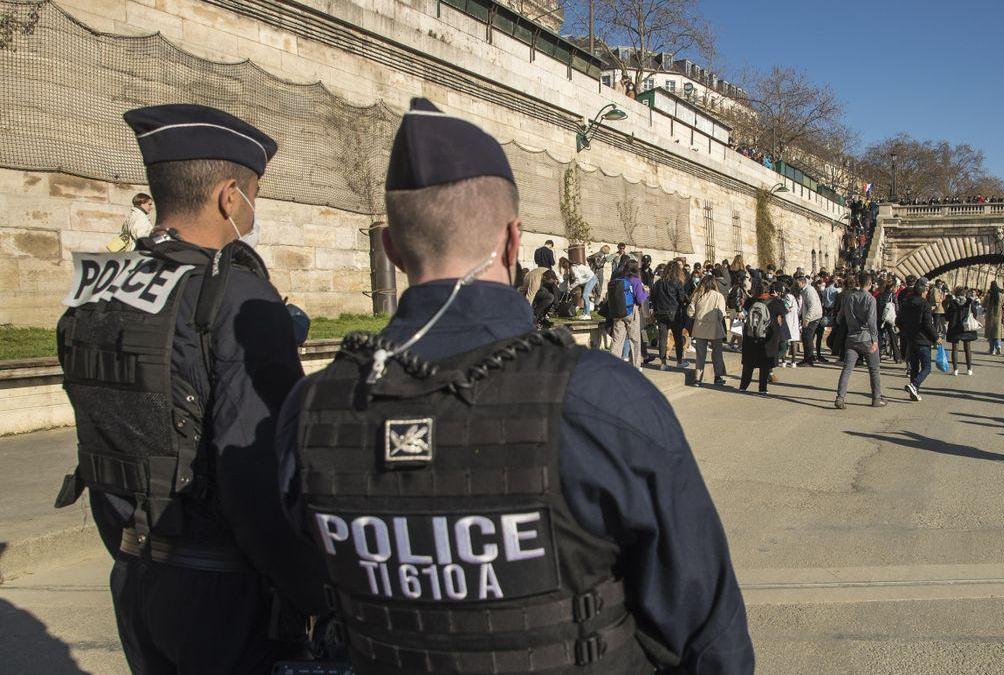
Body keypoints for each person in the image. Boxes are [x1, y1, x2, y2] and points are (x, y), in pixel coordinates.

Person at [274, 99, 753, 674]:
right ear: (512, 241)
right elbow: (704, 629)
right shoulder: (600, 399)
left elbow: (307, 583)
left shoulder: (311, 411)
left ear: (392, 251)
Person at [54, 104, 325, 674]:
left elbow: (102, 435)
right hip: (222, 593)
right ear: (231, 196)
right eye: (256, 192)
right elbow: (256, 477)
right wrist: (315, 594)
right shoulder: (238, 299)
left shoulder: (97, 289)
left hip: (133, 574)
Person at [834, 272, 885, 409]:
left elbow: (840, 317)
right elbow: (872, 321)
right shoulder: (870, 299)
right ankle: (876, 398)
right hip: (866, 337)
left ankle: (840, 397)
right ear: (869, 283)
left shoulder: (850, 297)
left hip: (851, 337)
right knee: (874, 369)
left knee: (847, 369)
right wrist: (875, 340)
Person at [739, 282, 786, 394]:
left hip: (750, 336)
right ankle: (762, 388)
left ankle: (743, 386)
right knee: (765, 364)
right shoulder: (775, 302)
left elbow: (744, 312)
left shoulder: (750, 301)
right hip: (767, 337)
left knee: (748, 364)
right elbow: (783, 312)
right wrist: (777, 297)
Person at [899, 279, 940, 401]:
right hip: (923, 339)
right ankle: (914, 385)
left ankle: (914, 392)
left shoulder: (906, 302)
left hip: (911, 338)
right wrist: (936, 337)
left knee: (914, 367)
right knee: (927, 367)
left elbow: (899, 320)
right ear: (923, 291)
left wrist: (906, 331)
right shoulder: (925, 304)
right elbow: (927, 324)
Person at [689, 275, 728, 386]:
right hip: (714, 328)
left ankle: (698, 378)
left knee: (700, 355)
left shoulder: (697, 295)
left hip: (699, 327)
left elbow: (690, 312)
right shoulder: (718, 296)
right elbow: (721, 314)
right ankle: (718, 376)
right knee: (717, 354)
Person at [650, 260, 689, 369]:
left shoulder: (658, 283)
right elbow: (681, 298)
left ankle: (663, 363)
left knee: (662, 338)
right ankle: (679, 361)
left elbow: (653, 297)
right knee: (677, 337)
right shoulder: (677, 282)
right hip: (674, 313)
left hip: (661, 312)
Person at [610, 258, 648, 369]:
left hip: (618, 312)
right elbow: (640, 299)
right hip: (632, 312)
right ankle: (636, 366)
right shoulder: (636, 281)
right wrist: (646, 292)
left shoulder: (619, 279)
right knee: (635, 340)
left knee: (617, 340)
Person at [944, 287, 978, 376]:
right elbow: (975, 313)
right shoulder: (969, 302)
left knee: (955, 348)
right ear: (965, 294)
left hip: (954, 327)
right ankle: (969, 369)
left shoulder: (952, 303)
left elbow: (947, 317)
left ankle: (955, 370)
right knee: (967, 348)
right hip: (966, 328)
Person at [797, 275, 823, 365]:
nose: (797, 285)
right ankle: (808, 358)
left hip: (813, 317)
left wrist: (807, 319)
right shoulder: (805, 290)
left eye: (798, 283)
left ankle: (808, 360)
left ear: (802, 282)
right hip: (812, 315)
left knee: (807, 337)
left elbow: (812, 306)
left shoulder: (808, 290)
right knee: (807, 338)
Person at [983, 281, 1004, 354]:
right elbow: (1003, 304)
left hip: (990, 316)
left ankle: (992, 350)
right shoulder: (1001, 295)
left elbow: (984, 305)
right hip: (998, 316)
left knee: (991, 334)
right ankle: (998, 346)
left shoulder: (988, 295)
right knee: (997, 333)